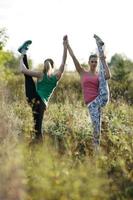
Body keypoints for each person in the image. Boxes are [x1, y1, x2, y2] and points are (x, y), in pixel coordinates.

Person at [66, 34, 111, 152]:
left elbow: (108, 76)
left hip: (100, 99)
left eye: (96, 61)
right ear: (88, 62)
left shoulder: (98, 74)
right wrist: (67, 45)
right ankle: (97, 150)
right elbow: (74, 58)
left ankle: (99, 47)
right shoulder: (83, 73)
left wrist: (103, 60)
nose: (94, 63)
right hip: (92, 104)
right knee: (97, 127)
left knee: (102, 76)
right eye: (92, 61)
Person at [18, 36, 67, 141]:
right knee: (38, 129)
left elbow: (23, 69)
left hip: (35, 98)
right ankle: (37, 150)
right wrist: (65, 46)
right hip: (40, 103)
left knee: (37, 129)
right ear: (52, 67)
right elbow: (63, 62)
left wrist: (21, 57)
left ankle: (23, 52)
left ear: (44, 66)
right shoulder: (56, 77)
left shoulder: (40, 75)